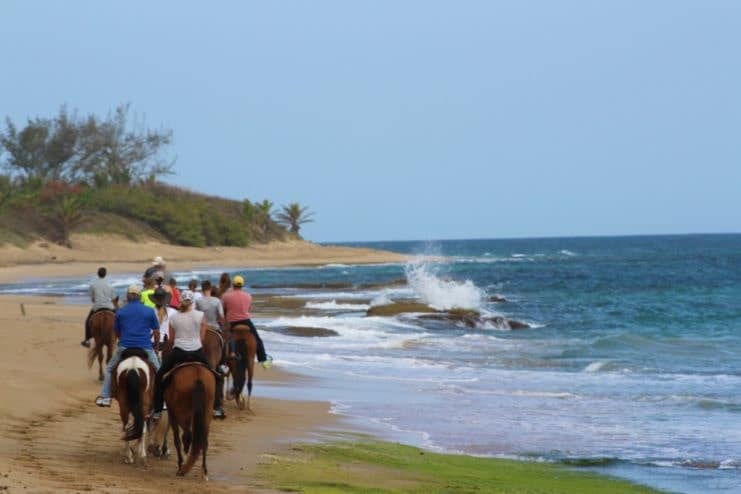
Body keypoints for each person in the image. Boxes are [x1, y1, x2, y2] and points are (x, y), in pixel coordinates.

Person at [95, 285, 161, 407]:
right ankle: (162, 400)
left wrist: (122, 340)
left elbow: (117, 332)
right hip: (145, 347)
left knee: (109, 369)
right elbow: (156, 332)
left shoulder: (120, 312)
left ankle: (105, 396)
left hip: (125, 347)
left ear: (128, 297)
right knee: (159, 370)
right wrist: (156, 348)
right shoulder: (149, 310)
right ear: (139, 296)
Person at [151, 290, 212, 420]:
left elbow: (171, 340)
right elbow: (202, 339)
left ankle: (157, 410)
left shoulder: (174, 317)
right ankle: (216, 406)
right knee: (215, 374)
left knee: (160, 376)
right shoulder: (201, 315)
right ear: (193, 301)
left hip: (179, 352)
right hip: (197, 351)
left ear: (180, 301)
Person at [221, 274, 272, 368]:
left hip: (232, 322)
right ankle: (263, 359)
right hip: (245, 321)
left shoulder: (225, 296)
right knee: (257, 339)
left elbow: (224, 311)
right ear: (242, 285)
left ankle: (222, 362)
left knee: (224, 339)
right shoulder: (248, 296)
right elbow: (248, 310)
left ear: (233, 284)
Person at [82, 267, 117, 348]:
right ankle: (121, 338)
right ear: (105, 274)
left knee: (87, 321)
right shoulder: (110, 285)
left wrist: (97, 301)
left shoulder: (93, 285)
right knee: (120, 320)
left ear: (98, 274)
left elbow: (93, 298)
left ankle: (87, 340)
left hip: (97, 307)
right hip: (109, 307)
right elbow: (113, 298)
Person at [149, 286, 177, 354]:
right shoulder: (174, 312)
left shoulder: (149, 312)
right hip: (168, 346)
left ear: (154, 299)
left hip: (152, 345)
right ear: (165, 299)